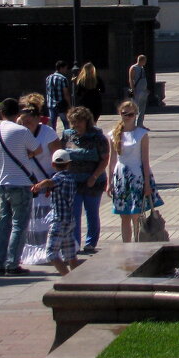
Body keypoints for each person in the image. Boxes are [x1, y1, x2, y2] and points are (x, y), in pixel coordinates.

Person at [0, 98, 43, 276]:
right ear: (18, 113)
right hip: (21, 183)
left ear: (1, 112)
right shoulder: (21, 131)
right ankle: (12, 264)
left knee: (3, 224)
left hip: (3, 182)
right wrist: (28, 154)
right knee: (19, 225)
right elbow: (38, 149)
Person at [107, 100, 163, 242]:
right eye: (124, 114)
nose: (127, 116)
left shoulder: (141, 134)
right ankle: (126, 245)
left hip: (137, 176)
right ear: (120, 114)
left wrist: (147, 183)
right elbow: (112, 160)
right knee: (123, 215)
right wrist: (109, 182)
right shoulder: (114, 134)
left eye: (131, 114)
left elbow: (145, 160)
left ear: (136, 115)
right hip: (121, 177)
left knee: (136, 214)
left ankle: (138, 242)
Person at [17, 94, 62, 266]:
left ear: (37, 118)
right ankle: (33, 251)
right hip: (29, 184)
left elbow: (58, 158)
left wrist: (54, 180)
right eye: (23, 121)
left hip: (47, 181)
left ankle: (50, 251)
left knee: (48, 220)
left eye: (29, 121)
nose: (26, 124)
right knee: (31, 222)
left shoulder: (47, 133)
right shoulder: (20, 133)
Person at [62, 106, 110, 254]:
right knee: (74, 214)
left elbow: (105, 159)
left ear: (86, 121)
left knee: (92, 212)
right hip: (73, 180)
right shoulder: (67, 135)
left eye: (79, 122)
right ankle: (75, 243)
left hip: (93, 181)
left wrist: (94, 176)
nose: (76, 125)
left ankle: (90, 243)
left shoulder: (97, 137)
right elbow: (61, 154)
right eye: (73, 122)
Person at [31, 150, 82, 275]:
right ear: (69, 164)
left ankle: (67, 278)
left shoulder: (58, 178)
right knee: (70, 255)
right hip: (69, 220)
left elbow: (50, 182)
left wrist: (38, 185)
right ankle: (79, 281)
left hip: (59, 221)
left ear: (53, 164)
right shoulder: (71, 177)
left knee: (51, 254)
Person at [45, 61, 72, 131]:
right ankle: (65, 138)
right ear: (61, 68)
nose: (66, 70)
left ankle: (53, 139)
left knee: (53, 123)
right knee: (65, 122)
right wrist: (69, 105)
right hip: (61, 104)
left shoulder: (48, 78)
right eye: (65, 68)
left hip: (51, 104)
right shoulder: (63, 79)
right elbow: (66, 94)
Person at [128, 54, 149, 128]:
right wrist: (132, 89)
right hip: (137, 91)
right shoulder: (134, 68)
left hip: (143, 91)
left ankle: (140, 124)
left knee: (142, 108)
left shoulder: (142, 68)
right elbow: (131, 79)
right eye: (145, 60)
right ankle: (132, 124)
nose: (145, 62)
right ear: (141, 60)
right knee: (134, 108)